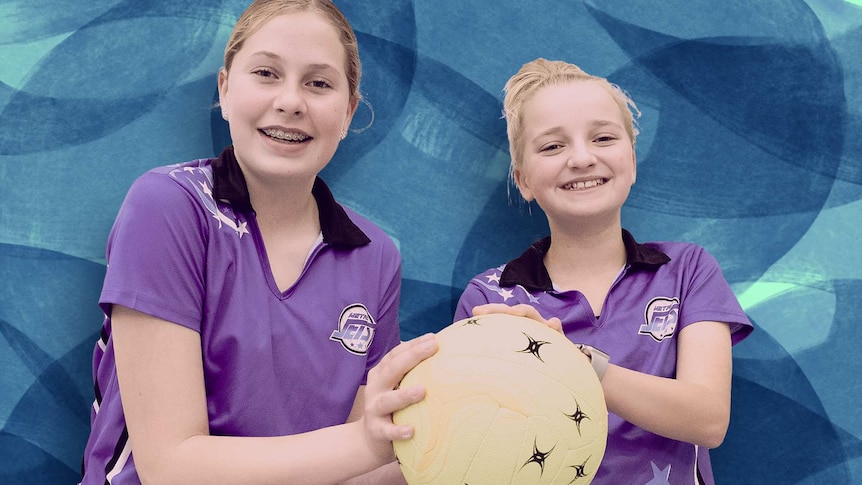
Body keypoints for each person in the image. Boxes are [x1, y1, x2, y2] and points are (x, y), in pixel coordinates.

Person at [79, 1, 436, 483]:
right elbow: (171, 465)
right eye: (267, 73)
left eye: (319, 83)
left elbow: (357, 470)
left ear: (348, 112)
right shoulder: (166, 207)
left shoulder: (375, 255)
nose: (291, 101)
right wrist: (365, 443)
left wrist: (497, 364)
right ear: (225, 90)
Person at [454, 59, 754, 485]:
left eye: (603, 138)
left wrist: (569, 362)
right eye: (552, 146)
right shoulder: (488, 298)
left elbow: (708, 419)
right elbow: (479, 445)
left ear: (630, 160)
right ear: (523, 180)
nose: (581, 158)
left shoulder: (688, 269)